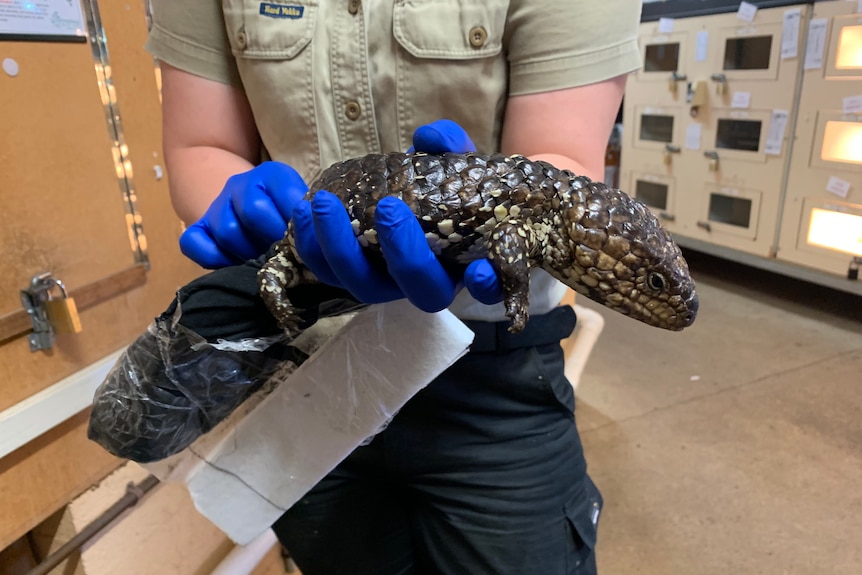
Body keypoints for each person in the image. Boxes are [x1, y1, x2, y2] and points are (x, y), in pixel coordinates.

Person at [145, 1, 642, 573]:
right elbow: (199, 141)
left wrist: (491, 226)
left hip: (494, 371)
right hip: (305, 366)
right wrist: (245, 203)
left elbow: (564, 162)